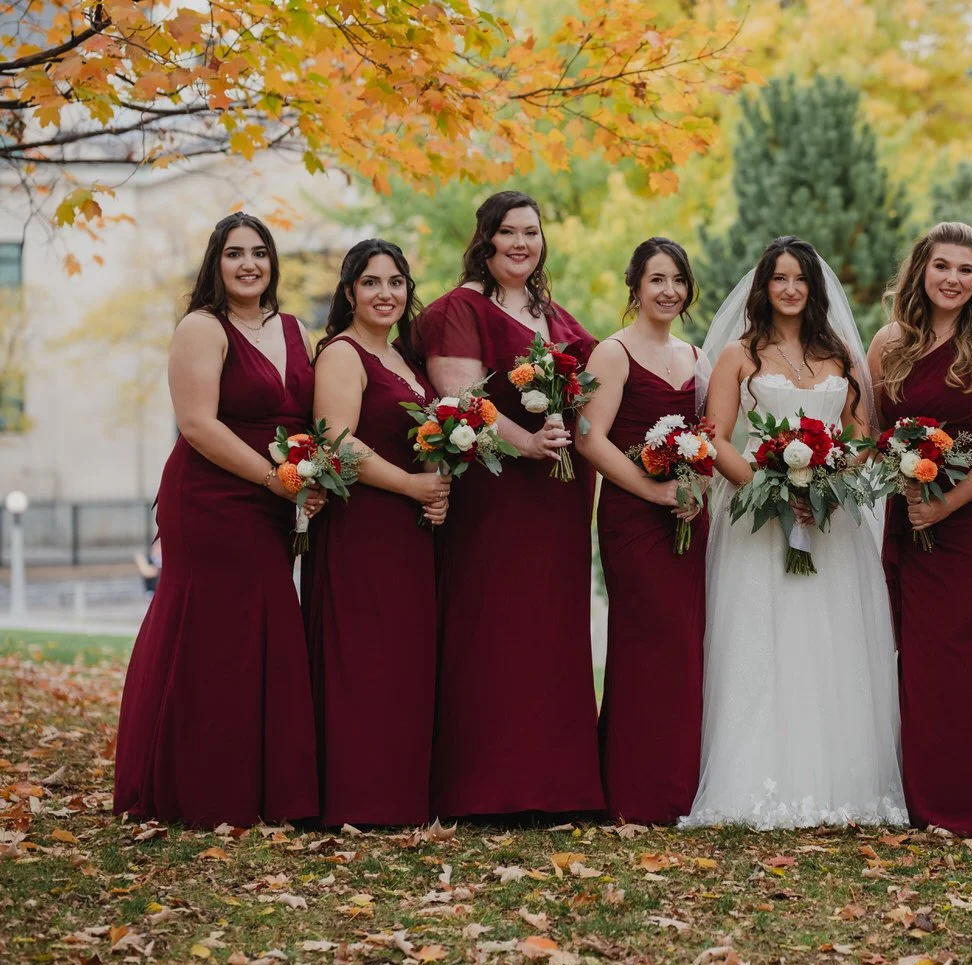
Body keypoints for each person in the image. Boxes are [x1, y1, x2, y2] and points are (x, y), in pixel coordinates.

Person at [681, 236, 906, 829]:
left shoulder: (842, 358)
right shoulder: (738, 354)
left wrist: (823, 484)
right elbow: (716, 435)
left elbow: (861, 438)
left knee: (829, 640)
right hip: (755, 517)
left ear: (814, 288)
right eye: (778, 278)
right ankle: (752, 779)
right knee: (763, 637)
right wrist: (767, 483)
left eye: (799, 278)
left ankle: (843, 779)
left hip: (832, 520)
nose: (789, 288)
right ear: (763, 287)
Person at [113, 212, 324, 828]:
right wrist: (275, 479)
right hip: (211, 497)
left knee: (265, 628)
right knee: (212, 636)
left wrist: (308, 479)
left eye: (259, 252)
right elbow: (199, 425)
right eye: (235, 254)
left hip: (276, 497)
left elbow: (309, 418)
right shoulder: (202, 328)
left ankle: (265, 790)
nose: (249, 264)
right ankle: (196, 788)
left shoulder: (294, 328)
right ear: (216, 263)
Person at [418, 191, 604, 820]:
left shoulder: (554, 313)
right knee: (496, 628)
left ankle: (560, 784)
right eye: (509, 233)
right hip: (496, 495)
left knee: (553, 630)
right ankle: (489, 788)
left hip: (560, 497)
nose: (522, 243)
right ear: (486, 240)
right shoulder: (459, 310)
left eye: (532, 232)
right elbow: (463, 402)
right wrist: (529, 443)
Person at [868, 222, 972, 837]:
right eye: (942, 267)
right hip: (911, 525)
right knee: (922, 665)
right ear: (921, 271)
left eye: (965, 270)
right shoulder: (889, 343)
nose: (953, 280)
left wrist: (949, 503)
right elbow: (868, 428)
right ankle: (921, 801)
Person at [303, 239, 449, 827]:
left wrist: (439, 487)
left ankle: (399, 793)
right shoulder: (343, 354)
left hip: (408, 532)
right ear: (348, 293)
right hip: (361, 527)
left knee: (402, 660)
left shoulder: (404, 360)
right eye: (371, 283)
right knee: (362, 658)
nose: (385, 294)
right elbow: (338, 438)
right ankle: (357, 797)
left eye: (395, 283)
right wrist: (411, 487)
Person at [576, 237, 706, 825]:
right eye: (656, 279)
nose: (669, 290)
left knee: (684, 646)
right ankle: (633, 791)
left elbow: (708, 440)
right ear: (635, 287)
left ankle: (678, 785)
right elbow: (590, 438)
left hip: (684, 515)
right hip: (633, 515)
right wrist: (653, 489)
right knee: (643, 642)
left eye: (677, 279)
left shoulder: (698, 355)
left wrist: (693, 489)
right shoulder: (613, 352)